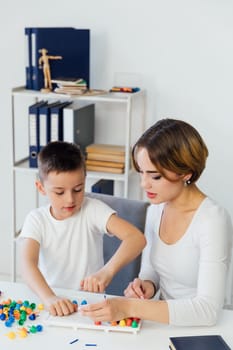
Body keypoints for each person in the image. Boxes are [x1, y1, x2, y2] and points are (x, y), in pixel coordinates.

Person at [81, 118, 233, 326]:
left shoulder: (213, 220)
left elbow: (207, 310)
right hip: (163, 324)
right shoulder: (156, 209)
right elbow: (151, 271)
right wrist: (146, 285)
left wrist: (128, 306)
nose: (144, 184)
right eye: (142, 173)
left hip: (205, 329)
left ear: (186, 172)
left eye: (155, 177)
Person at [18, 141, 146, 316]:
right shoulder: (36, 219)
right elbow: (27, 264)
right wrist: (49, 298)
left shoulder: (93, 209)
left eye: (78, 189)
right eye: (60, 192)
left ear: (84, 181)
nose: (70, 199)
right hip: (51, 301)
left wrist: (106, 272)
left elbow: (136, 238)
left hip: (91, 305)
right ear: (41, 188)